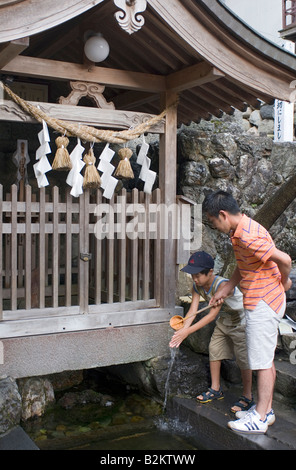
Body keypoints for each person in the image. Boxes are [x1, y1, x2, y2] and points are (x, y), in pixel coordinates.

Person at [202, 190, 292, 434]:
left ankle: (260, 418)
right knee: (266, 359)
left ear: (222, 214)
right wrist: (228, 287)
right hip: (260, 298)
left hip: (263, 301)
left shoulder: (248, 236)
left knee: (261, 362)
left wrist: (283, 283)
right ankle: (267, 410)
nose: (214, 227)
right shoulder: (239, 231)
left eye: (213, 221)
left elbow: (284, 259)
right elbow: (246, 264)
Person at [170, 250, 254, 414]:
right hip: (224, 322)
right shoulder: (197, 286)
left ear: (210, 272)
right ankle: (216, 389)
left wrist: (186, 333)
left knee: (243, 359)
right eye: (192, 275)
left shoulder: (222, 285)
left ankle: (247, 396)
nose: (194, 279)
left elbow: (211, 316)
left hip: (240, 322)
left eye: (198, 275)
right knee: (214, 350)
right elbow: (192, 311)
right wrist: (182, 330)